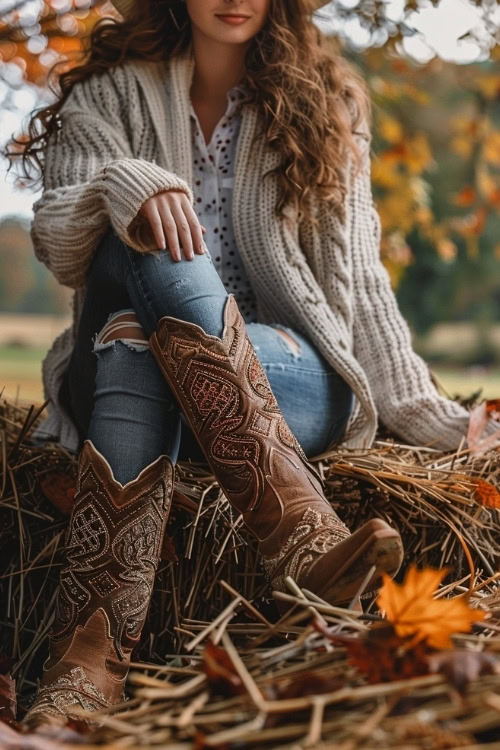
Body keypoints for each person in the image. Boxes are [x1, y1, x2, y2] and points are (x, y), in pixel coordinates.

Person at [9, 0, 491, 729]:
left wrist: (437, 419)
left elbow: (359, 284)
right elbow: (56, 234)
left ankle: (84, 673)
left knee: (136, 341)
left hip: (291, 371)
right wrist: (128, 188)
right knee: (139, 300)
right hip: (113, 363)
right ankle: (301, 541)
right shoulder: (108, 94)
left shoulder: (324, 102)